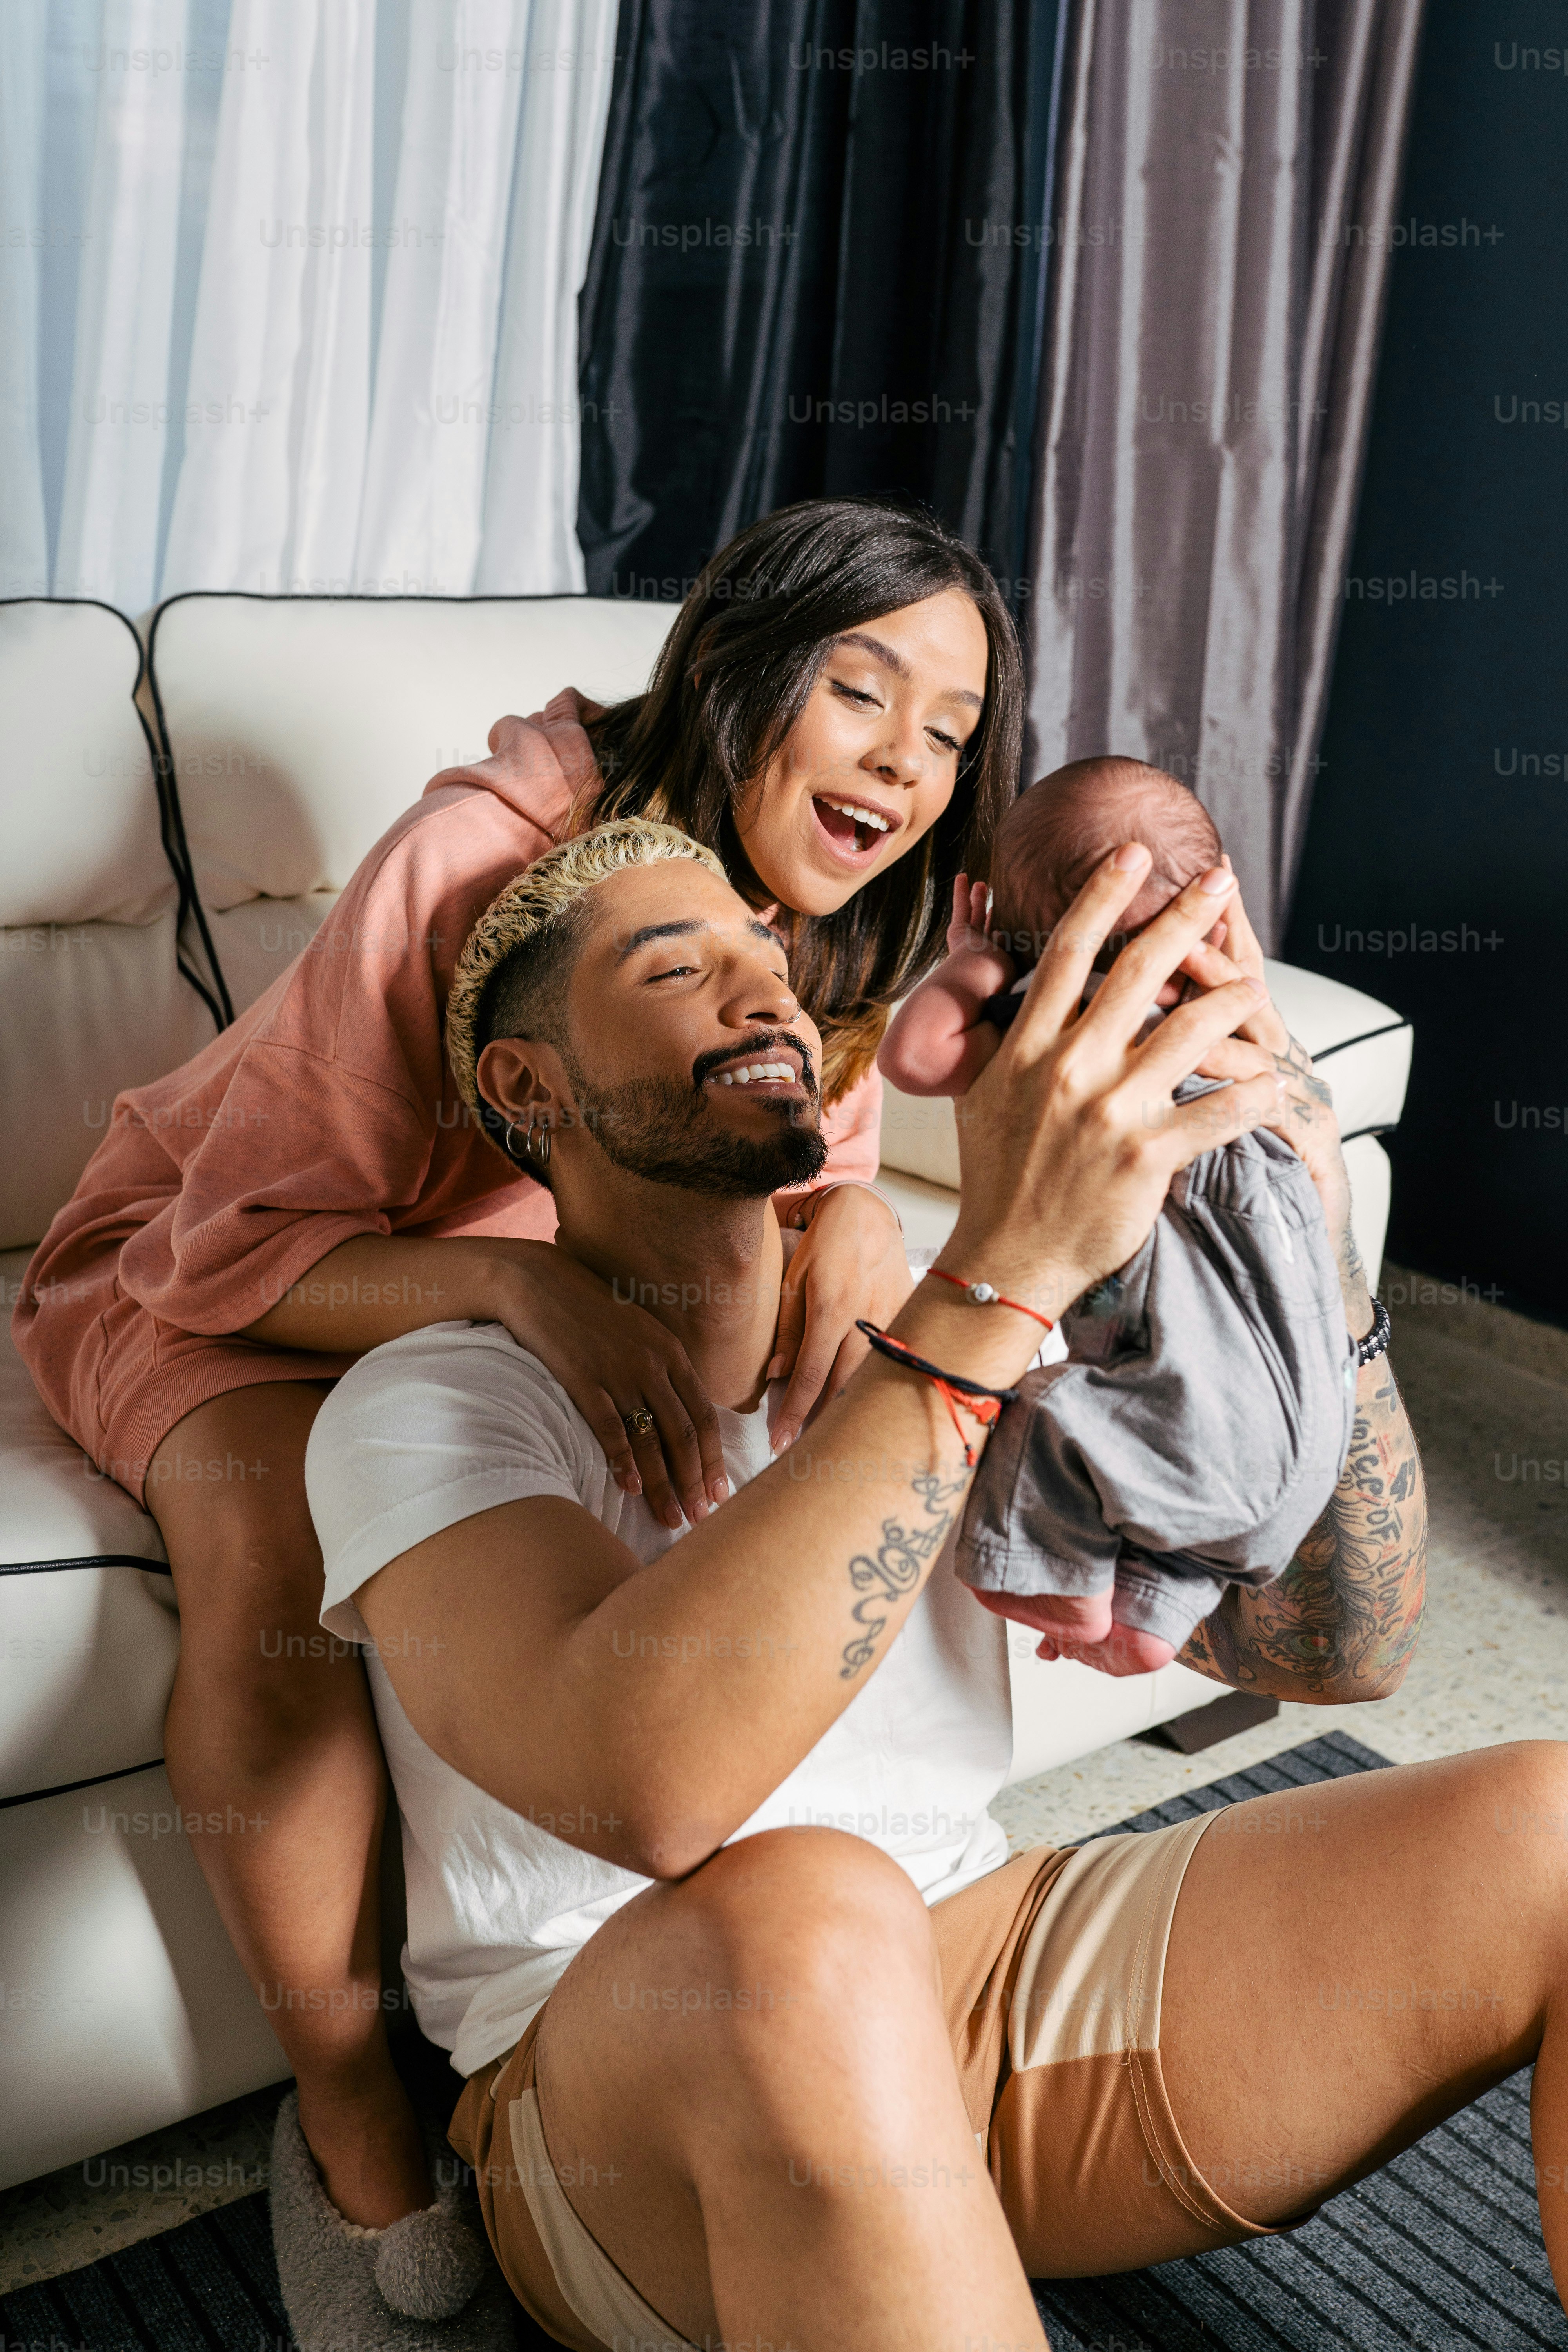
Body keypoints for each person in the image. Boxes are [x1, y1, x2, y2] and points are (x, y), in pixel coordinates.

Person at [305, 817, 1567, 2352]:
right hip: (614, 2086)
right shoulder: (438, 1402)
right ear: (528, 1084)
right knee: (804, 1913)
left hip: (981, 1966)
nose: (762, 993)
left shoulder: (921, 1315)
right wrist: (1004, 1265)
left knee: (1554, 1826)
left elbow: (1337, 1648)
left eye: (771, 964)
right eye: (676, 962)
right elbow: (653, 1790)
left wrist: (1315, 1247)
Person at [11, 499, 1020, 2274]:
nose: (905, 761)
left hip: (562, 1258)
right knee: (269, 1542)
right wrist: (510, 1280)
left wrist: (852, 1213)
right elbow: (218, 1244)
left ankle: (722, 1999)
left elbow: (793, 1170)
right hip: (240, 1270)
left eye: (950, 729)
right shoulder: (475, 854)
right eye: (861, 692)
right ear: (737, 667)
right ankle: (347, 2121)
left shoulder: (846, 903)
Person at [880, 755, 1356, 1673]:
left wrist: (970, 959)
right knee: (1183, 1410)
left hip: (1191, 1430)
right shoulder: (1236, 1032)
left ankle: (1049, 1571)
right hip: (1305, 1455)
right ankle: (1151, 1615)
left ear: (1029, 936)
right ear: (1214, 918)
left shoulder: (1047, 1018)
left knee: (1047, 1410)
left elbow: (917, 1058)